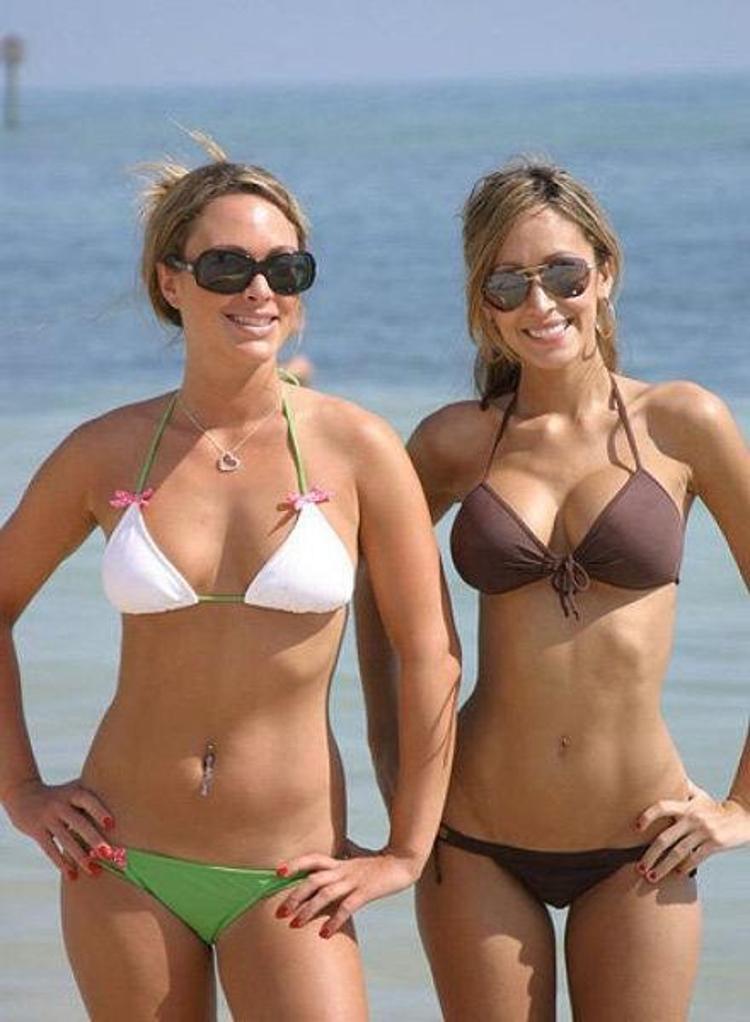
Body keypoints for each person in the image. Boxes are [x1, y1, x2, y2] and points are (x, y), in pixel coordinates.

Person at [0, 138, 459, 1020]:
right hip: (121, 859)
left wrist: (407, 848)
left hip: (288, 871)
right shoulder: (105, 449)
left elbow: (429, 654)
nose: (259, 290)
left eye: (285, 268)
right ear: (170, 283)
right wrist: (20, 790)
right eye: (226, 266)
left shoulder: (358, 447)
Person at [358, 159, 750, 1020]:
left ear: (604, 273)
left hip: (642, 841)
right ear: (484, 305)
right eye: (508, 284)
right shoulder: (453, 443)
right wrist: (397, 778)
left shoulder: (683, 423)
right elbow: (370, 592)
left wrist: (742, 807)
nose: (540, 304)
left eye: (563, 275)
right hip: (474, 838)